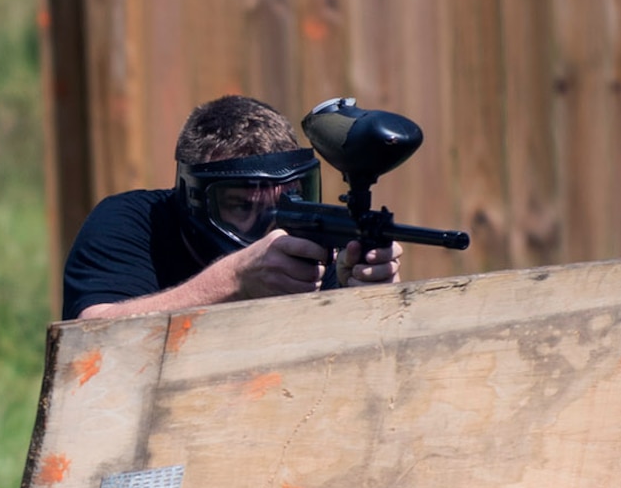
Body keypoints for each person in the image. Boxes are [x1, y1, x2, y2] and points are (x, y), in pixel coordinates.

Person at [61, 95, 402, 321]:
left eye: (286, 201)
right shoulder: (132, 222)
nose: (271, 228)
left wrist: (358, 302)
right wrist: (236, 281)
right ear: (192, 198)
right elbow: (92, 333)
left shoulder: (309, 244)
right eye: (242, 206)